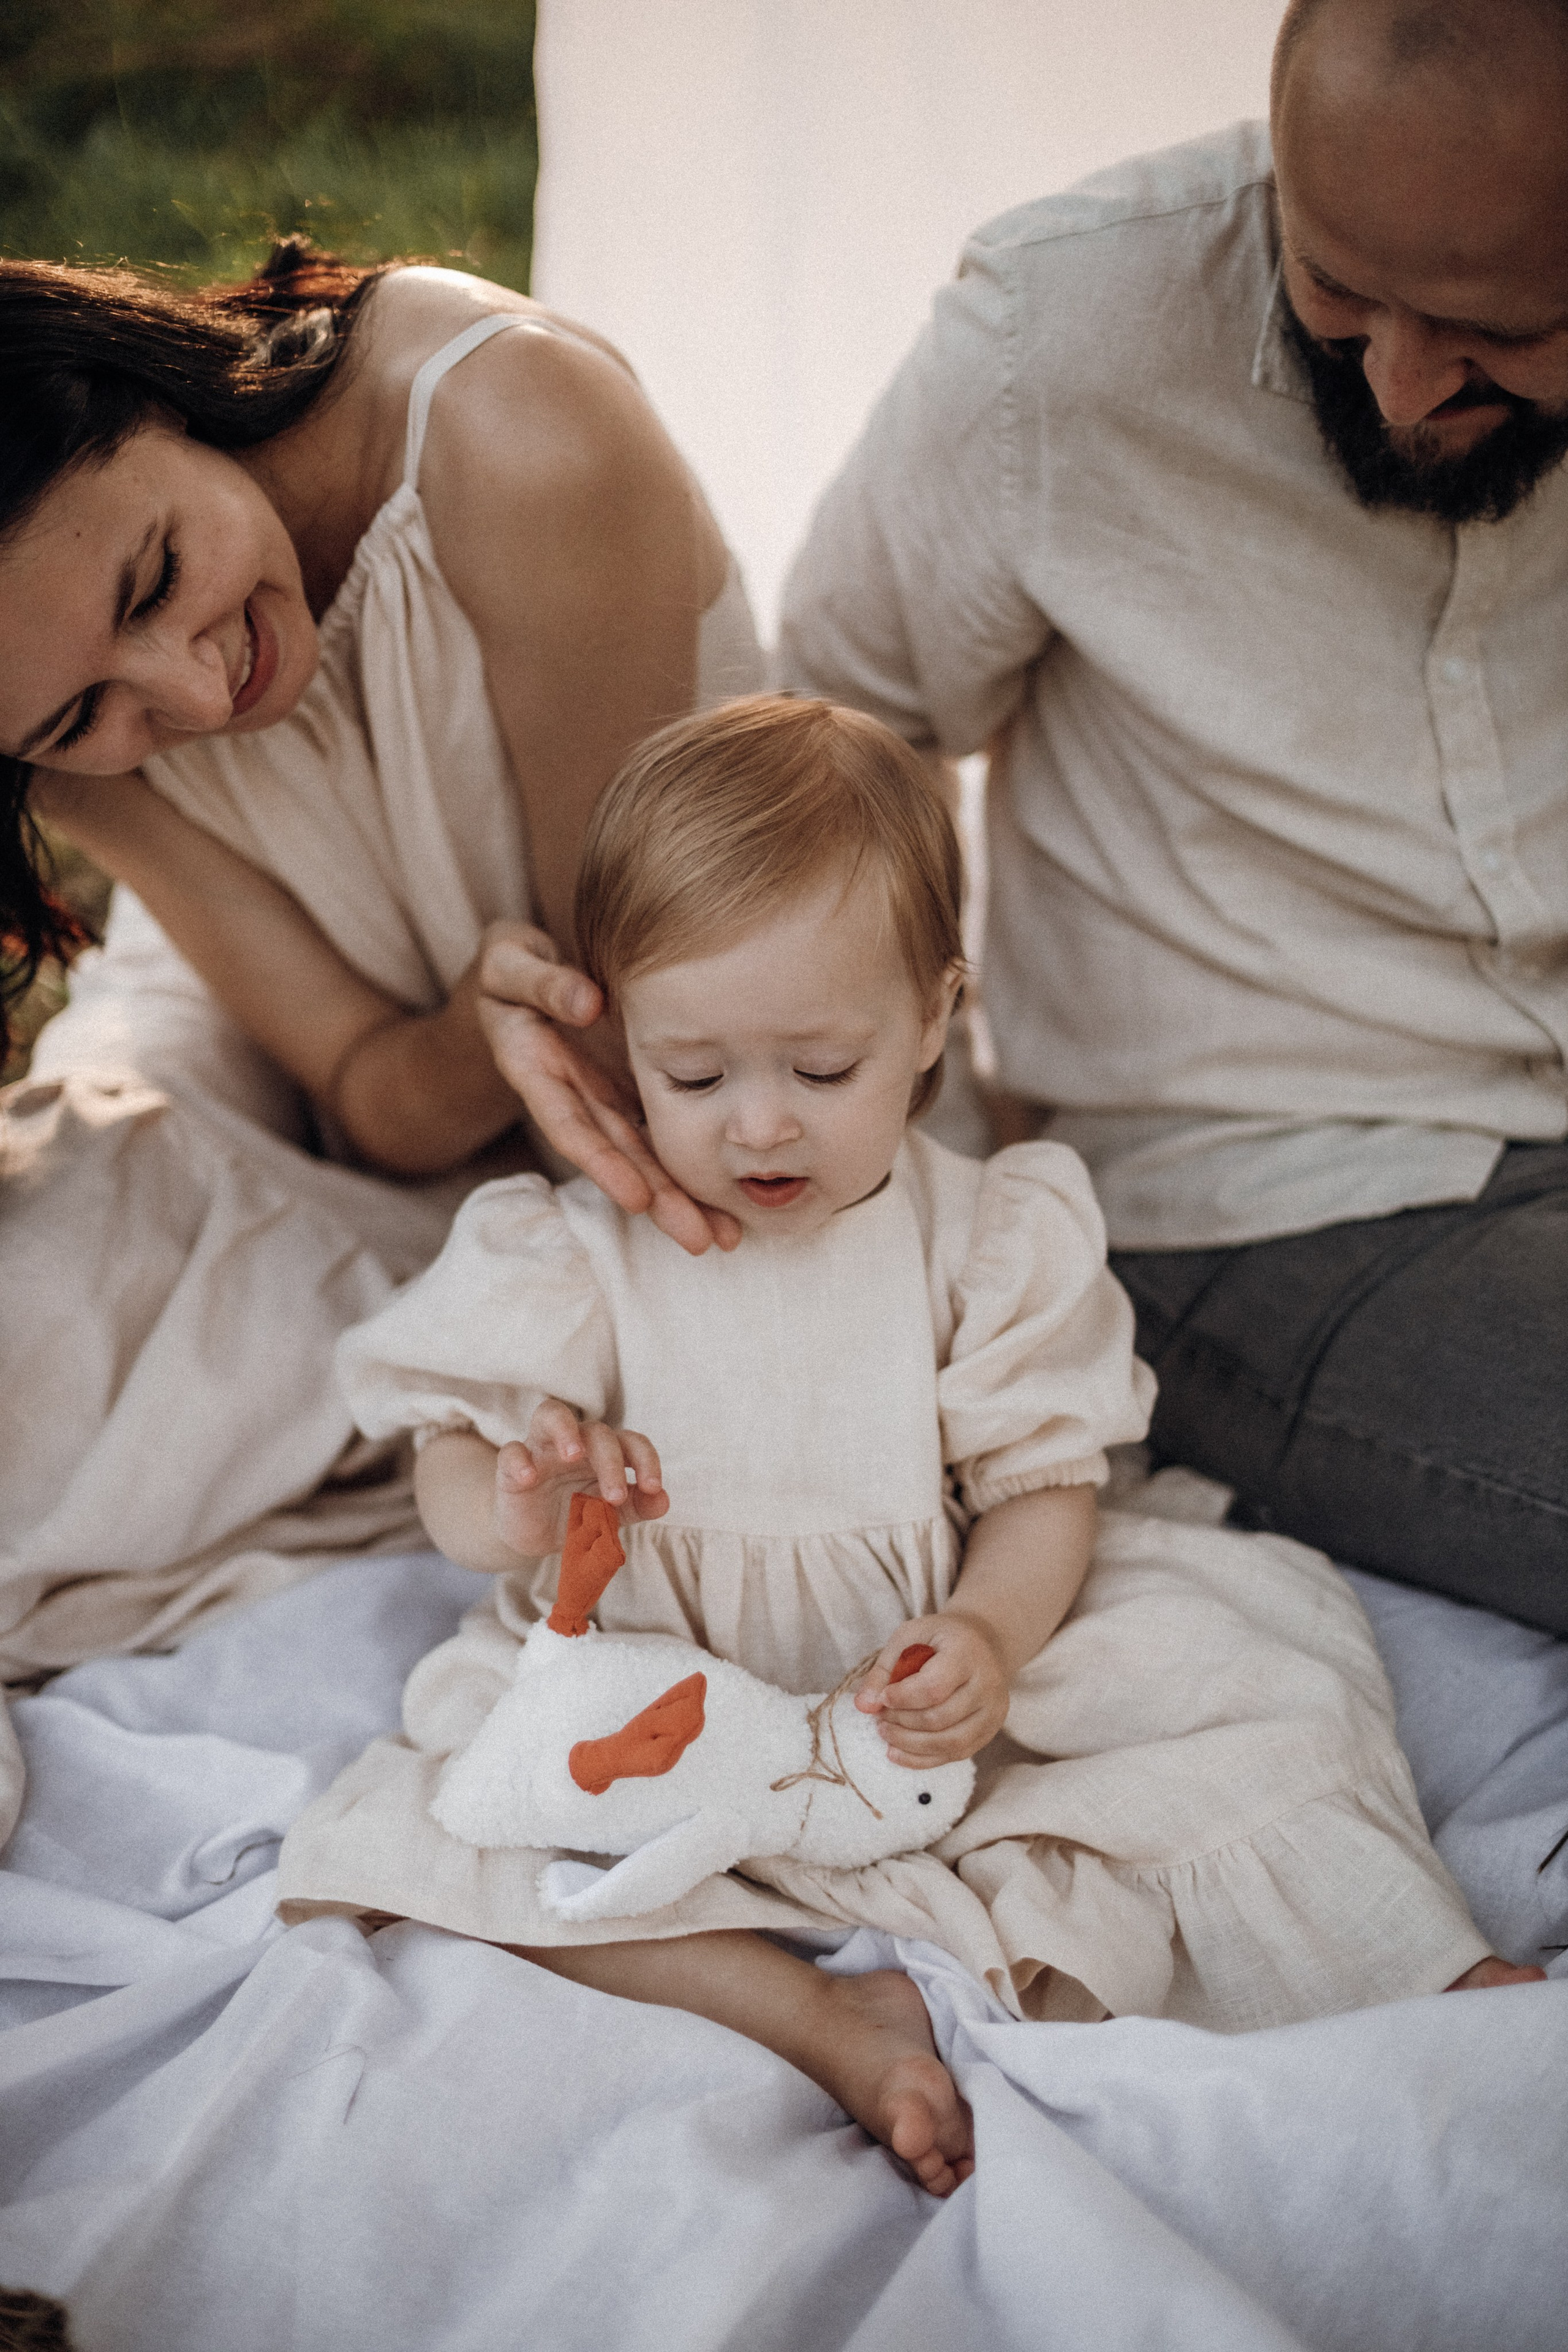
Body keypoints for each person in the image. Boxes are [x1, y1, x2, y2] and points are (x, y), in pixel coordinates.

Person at [278, 696, 1529, 2203]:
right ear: (614, 1028)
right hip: (654, 1692)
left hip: (915, 1678)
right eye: (694, 1076)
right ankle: (814, 2012)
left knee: (1256, 1702)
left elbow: (1039, 1484)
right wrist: (517, 1492)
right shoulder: (571, 1250)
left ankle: (1413, 1966)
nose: (759, 1129)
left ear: (935, 1016)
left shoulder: (982, 1235)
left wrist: (991, 1633)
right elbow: (454, 1496)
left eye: (821, 1070)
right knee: (446, 1842)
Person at [471, 0, 1568, 1637]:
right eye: (1335, 288)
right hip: (1269, 1196)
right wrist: (910, 1190)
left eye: (1490, 326)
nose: (1402, 382)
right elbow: (844, 740)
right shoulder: (1060, 341)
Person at [0, 243, 762, 1779]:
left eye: (155, 582)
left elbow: (632, 1038)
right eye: (89, 714)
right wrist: (470, 1031)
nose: (195, 699)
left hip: (660, 1093)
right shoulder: (51, 716)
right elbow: (367, 1086)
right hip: (361, 1085)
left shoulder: (514, 437)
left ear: (138, 383)